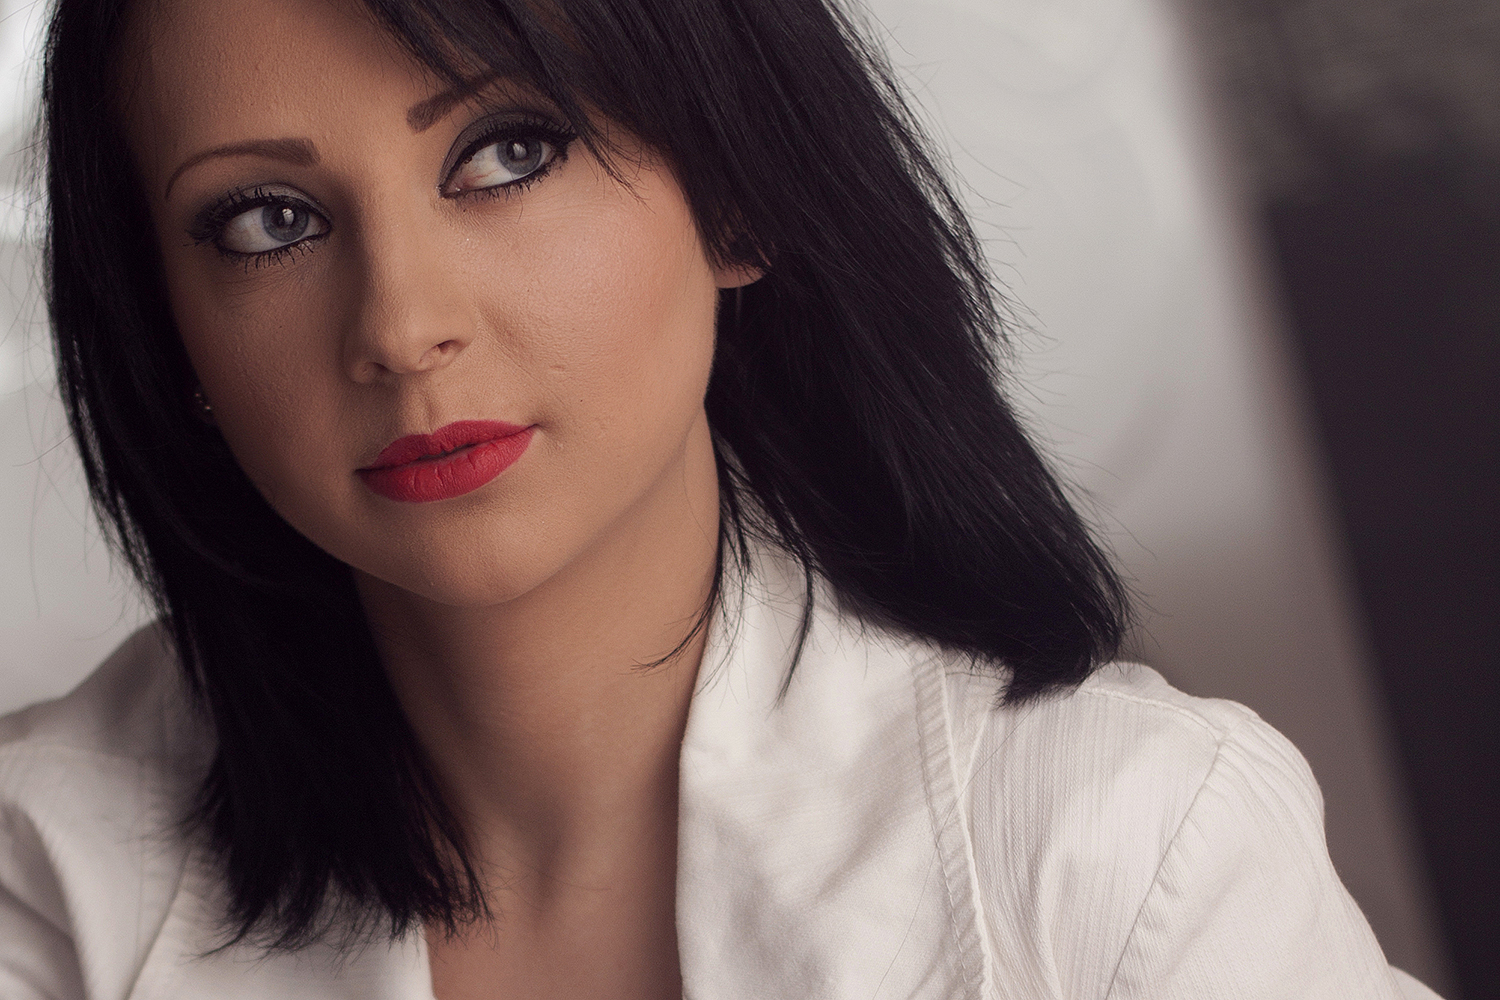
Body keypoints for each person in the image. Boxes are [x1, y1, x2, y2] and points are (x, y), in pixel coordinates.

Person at [0, 0, 1442, 995]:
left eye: (508, 151)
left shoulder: (1127, 852)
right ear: (169, 336)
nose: (401, 325)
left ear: (738, 194)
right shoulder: (50, 876)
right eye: (268, 221)